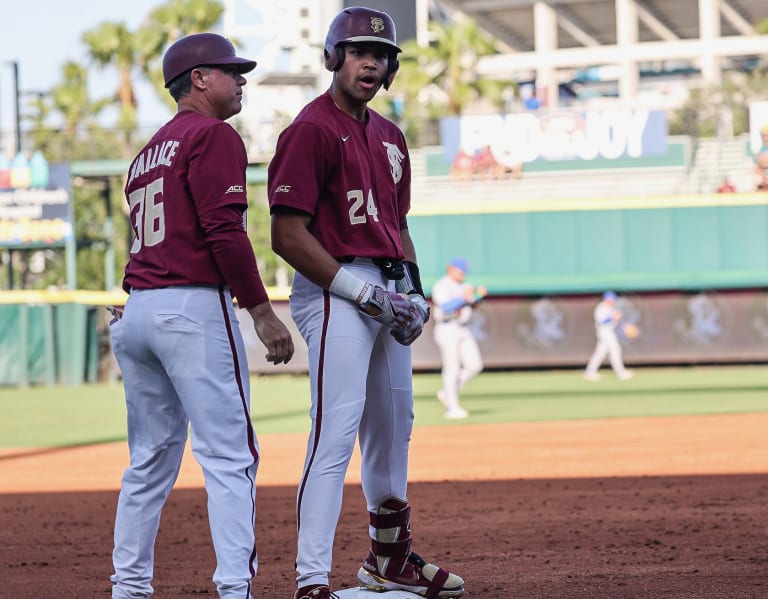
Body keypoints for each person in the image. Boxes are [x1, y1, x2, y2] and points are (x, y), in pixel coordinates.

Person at [267, 7, 465, 599]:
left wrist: (412, 291)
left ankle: (388, 558)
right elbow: (286, 234)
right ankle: (310, 579)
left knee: (394, 425)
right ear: (334, 56)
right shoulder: (310, 128)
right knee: (336, 430)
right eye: (359, 52)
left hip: (383, 281)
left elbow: (398, 225)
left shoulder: (390, 135)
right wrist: (361, 292)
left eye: (381, 55)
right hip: (336, 289)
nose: (372, 62)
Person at [108, 33, 294, 599]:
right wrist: (262, 312)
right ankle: (235, 588)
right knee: (230, 456)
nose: (241, 81)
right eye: (230, 71)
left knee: (148, 463)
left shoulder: (146, 154)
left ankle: (130, 588)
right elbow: (222, 230)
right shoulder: (213, 135)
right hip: (191, 307)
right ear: (198, 79)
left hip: (138, 308)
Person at [431, 257, 487, 419]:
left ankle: (447, 393)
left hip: (463, 328)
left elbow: (472, 303)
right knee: (452, 368)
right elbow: (445, 307)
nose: (463, 273)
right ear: (451, 269)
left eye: (464, 271)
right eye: (460, 270)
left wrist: (478, 296)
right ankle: (451, 408)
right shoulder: (442, 285)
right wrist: (466, 297)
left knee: (475, 365)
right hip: (447, 328)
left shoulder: (464, 285)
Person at [584, 291, 633, 381]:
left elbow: (617, 320)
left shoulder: (610, 307)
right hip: (604, 331)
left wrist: (624, 327)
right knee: (615, 350)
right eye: (611, 299)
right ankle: (621, 373)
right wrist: (612, 317)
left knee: (600, 353)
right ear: (607, 299)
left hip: (610, 330)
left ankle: (590, 372)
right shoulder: (601, 308)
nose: (613, 301)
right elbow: (602, 321)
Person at [754, 124, 768, 191]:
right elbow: (760, 164)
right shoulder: (761, 149)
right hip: (763, 173)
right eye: (762, 136)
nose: (764, 138)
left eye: (765, 135)